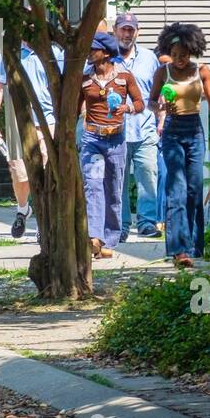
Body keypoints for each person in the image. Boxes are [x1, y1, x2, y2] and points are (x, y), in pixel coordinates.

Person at [149, 23, 210, 267]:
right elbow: (150, 102)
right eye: (174, 55)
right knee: (176, 190)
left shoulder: (202, 71)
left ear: (192, 51)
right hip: (173, 132)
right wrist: (160, 108)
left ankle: (195, 246)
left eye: (183, 55)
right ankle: (179, 251)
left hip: (195, 131)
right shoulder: (162, 73)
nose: (179, 60)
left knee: (194, 190)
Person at [0, 38, 65, 239]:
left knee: (47, 174)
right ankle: (23, 209)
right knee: (19, 174)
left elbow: (65, 86)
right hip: (18, 122)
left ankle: (43, 223)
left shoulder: (53, 52)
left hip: (49, 122)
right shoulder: (11, 53)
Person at [79, 31, 144, 259]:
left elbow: (140, 103)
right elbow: (74, 108)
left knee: (114, 190)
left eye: (92, 49)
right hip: (93, 141)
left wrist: (127, 108)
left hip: (116, 141)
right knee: (93, 185)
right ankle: (94, 238)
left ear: (105, 53)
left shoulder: (124, 77)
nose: (88, 53)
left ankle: (110, 240)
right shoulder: (85, 78)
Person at [111, 13, 161, 241]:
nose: (127, 34)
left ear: (137, 32)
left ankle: (147, 223)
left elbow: (158, 93)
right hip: (116, 130)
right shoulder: (106, 58)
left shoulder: (150, 59)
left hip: (145, 128)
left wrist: (162, 120)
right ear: (115, 30)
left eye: (131, 30)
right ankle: (120, 226)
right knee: (117, 180)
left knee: (148, 175)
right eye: (123, 29)